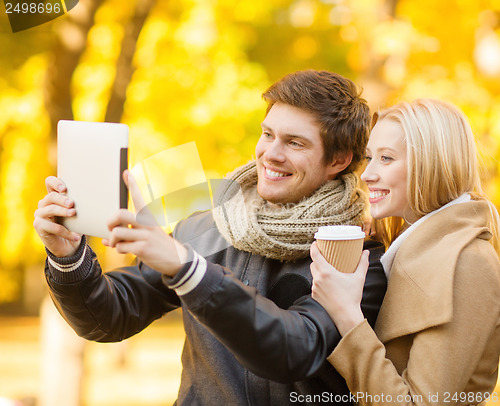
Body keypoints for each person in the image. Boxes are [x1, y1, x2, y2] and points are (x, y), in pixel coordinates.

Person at [34, 70, 387, 405]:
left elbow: (295, 351)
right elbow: (108, 317)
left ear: (338, 160)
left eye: (294, 142)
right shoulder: (206, 227)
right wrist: (68, 256)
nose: (271, 154)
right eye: (267, 134)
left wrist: (189, 270)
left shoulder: (355, 258)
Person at [310, 98, 500, 406]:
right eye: (370, 158)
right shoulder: (402, 247)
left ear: (433, 163)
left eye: (386, 158)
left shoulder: (467, 262)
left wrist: (346, 315)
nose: (367, 174)